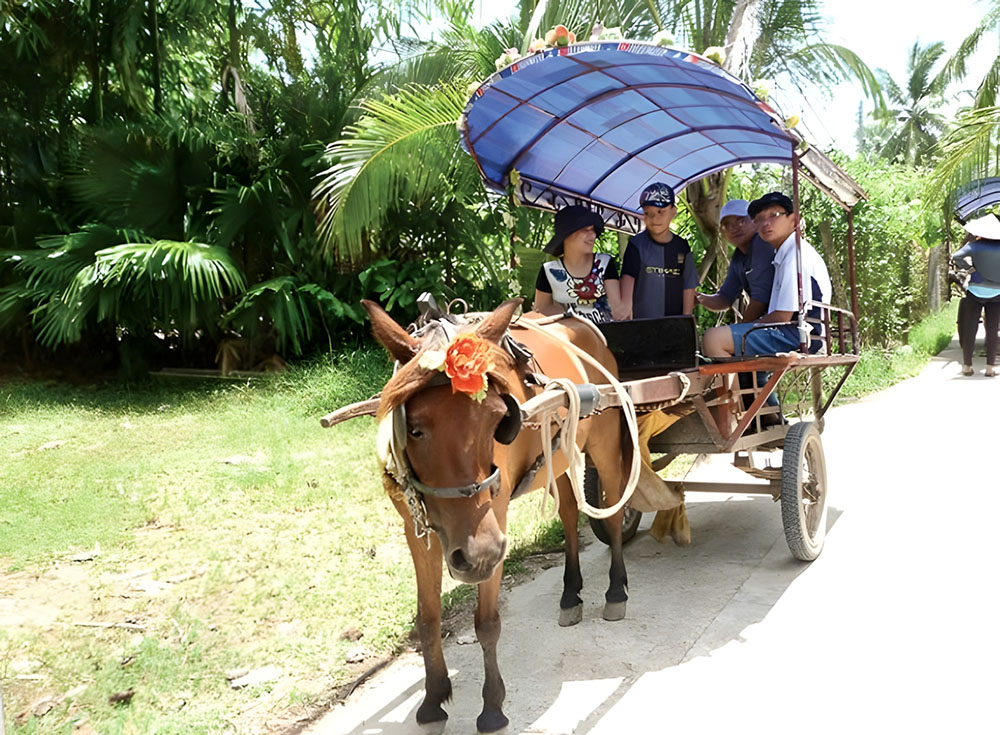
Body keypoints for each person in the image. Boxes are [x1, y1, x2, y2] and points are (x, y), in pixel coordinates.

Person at [702, 192, 832, 358]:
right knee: (727, 336)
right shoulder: (782, 253)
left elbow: (782, 316)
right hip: (792, 330)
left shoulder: (795, 255)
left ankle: (734, 385)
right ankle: (749, 384)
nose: (765, 223)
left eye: (774, 215)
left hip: (800, 335)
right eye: (760, 219)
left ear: (794, 221)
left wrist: (745, 328)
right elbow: (726, 296)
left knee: (713, 339)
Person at [533, 205, 624, 324]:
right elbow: (540, 311)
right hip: (565, 339)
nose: (592, 236)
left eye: (593, 230)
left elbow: (617, 309)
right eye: (585, 230)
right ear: (567, 236)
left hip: (604, 337)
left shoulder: (605, 264)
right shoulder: (549, 271)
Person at [619, 183, 699, 319]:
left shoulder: (682, 247)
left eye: (661, 212)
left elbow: (688, 287)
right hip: (643, 327)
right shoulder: (636, 245)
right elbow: (626, 292)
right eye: (648, 213)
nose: (655, 218)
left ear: (673, 211)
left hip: (674, 328)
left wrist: (686, 325)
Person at [695, 198, 776, 322]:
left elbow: (761, 298)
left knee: (717, 337)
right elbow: (725, 298)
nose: (733, 228)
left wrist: (741, 331)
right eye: (727, 224)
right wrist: (698, 297)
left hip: (795, 323)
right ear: (722, 232)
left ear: (755, 221)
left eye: (741, 220)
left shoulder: (762, 243)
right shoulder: (738, 257)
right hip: (772, 322)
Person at [952, 213, 1000, 377]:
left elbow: (955, 256)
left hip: (975, 291)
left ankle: (967, 366)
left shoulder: (975, 246)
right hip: (997, 292)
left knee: (970, 328)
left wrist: (968, 268)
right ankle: (990, 368)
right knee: (992, 330)